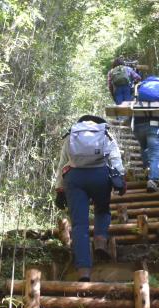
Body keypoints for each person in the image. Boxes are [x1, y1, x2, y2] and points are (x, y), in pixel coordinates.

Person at [54, 115, 126, 282]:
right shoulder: (104, 132)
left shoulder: (72, 134)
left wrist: (59, 189)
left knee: (79, 225)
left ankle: (84, 271)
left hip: (75, 178)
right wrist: (120, 178)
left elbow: (62, 164)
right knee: (102, 209)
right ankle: (100, 240)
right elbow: (115, 158)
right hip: (100, 176)